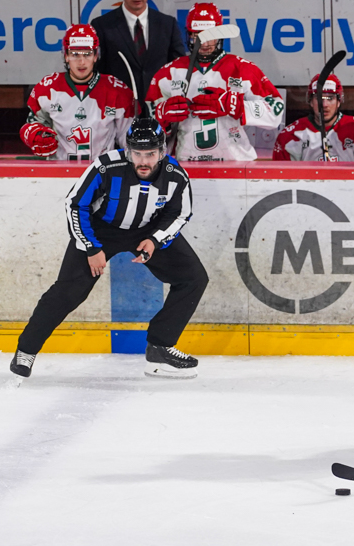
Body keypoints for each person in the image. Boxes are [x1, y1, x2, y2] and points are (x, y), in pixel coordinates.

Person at [11, 118, 209, 380]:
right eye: (137, 153)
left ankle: (161, 347)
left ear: (162, 152)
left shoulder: (175, 176)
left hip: (147, 231)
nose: (143, 161)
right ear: (128, 151)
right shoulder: (106, 167)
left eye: (150, 154)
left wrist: (156, 240)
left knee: (193, 278)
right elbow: (75, 204)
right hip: (100, 231)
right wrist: (91, 247)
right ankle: (26, 350)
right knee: (68, 291)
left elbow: (179, 214)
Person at [147, 2, 285, 161]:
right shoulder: (168, 74)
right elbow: (146, 128)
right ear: (189, 35)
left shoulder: (243, 69)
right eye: (198, 35)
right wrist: (161, 116)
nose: (204, 43)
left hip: (236, 162)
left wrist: (237, 106)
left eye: (210, 35)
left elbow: (275, 113)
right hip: (186, 163)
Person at [20, 24, 135, 161]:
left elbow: (129, 141)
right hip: (57, 172)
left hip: (103, 172)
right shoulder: (48, 88)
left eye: (87, 54)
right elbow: (32, 125)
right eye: (75, 54)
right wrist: (35, 135)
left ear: (95, 55)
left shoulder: (117, 90)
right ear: (66, 56)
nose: (81, 62)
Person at [91, 0, 185, 100]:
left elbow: (179, 68)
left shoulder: (167, 24)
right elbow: (98, 72)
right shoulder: (102, 25)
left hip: (160, 108)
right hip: (118, 108)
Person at [273, 73, 354, 161]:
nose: (324, 104)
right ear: (310, 102)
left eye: (330, 98)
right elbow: (281, 180)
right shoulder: (290, 136)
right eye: (319, 98)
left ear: (339, 102)